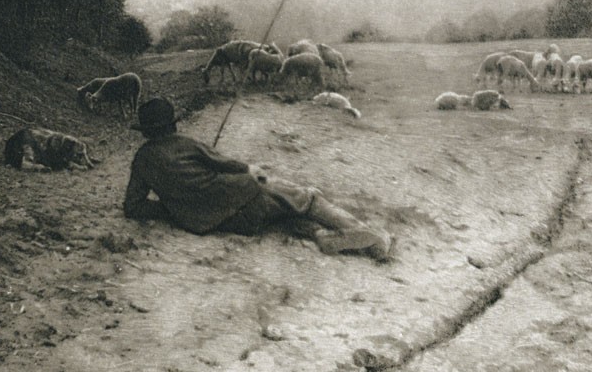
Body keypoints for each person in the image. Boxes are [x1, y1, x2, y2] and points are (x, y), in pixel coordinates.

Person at [123, 97, 392, 260]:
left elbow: (133, 207)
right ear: (172, 124)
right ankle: (361, 232)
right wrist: (251, 169)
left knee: (280, 215)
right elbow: (228, 165)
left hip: (231, 224)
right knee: (305, 197)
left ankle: (322, 236)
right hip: (243, 200)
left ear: (146, 131)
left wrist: (175, 208)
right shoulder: (185, 143)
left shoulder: (142, 159)